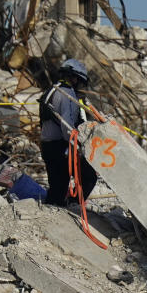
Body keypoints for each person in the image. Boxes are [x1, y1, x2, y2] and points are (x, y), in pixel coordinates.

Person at [39, 58, 97, 206]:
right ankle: (74, 206)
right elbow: (67, 127)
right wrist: (78, 145)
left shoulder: (52, 90)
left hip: (47, 146)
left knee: (57, 189)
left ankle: (58, 207)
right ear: (74, 78)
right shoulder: (67, 94)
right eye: (80, 81)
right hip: (59, 147)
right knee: (89, 176)